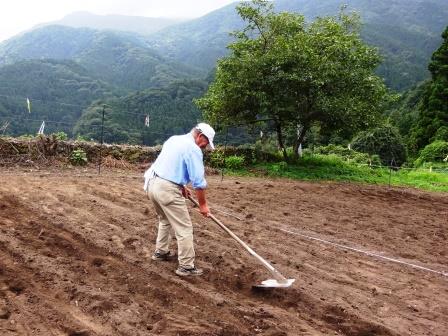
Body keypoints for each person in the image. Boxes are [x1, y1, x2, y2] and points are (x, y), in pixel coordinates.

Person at [143, 123, 215, 276]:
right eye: (206, 143)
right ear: (200, 136)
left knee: (165, 220)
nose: (205, 147)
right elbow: (198, 182)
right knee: (184, 228)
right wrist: (203, 205)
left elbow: (170, 165)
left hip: (152, 184)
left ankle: (161, 252)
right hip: (167, 190)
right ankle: (186, 266)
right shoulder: (193, 149)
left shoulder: (174, 139)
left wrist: (181, 186)